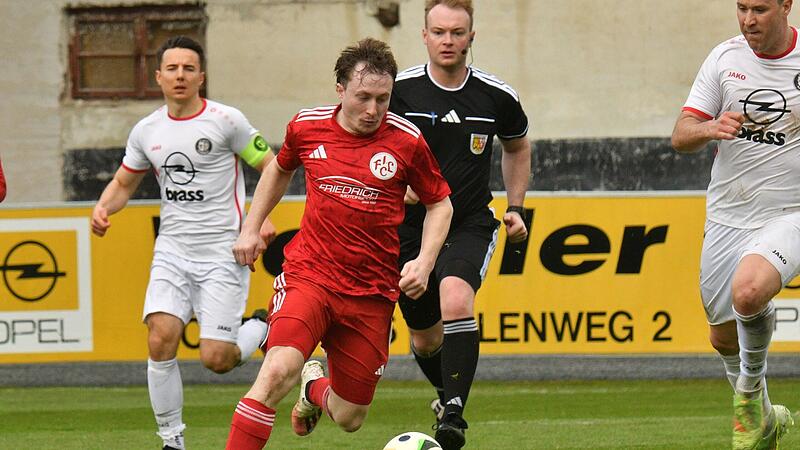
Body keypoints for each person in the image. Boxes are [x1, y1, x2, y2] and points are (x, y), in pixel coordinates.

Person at [225, 37, 453, 449]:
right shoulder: (307, 126)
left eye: (383, 99)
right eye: (363, 97)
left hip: (371, 292)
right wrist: (250, 226)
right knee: (276, 372)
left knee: (350, 417)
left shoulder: (406, 140)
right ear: (340, 90)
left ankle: (313, 387)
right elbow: (279, 168)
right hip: (310, 276)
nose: (373, 110)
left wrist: (423, 261)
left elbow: (440, 203)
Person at [90, 36, 274, 450]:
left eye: (188, 68)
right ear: (158, 77)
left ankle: (261, 327)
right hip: (172, 250)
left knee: (217, 359)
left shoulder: (227, 121)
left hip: (222, 252)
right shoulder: (147, 130)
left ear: (201, 77)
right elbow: (124, 182)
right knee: (160, 337)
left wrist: (259, 219)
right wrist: (103, 207)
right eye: (172, 68)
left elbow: (272, 166)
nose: (180, 75)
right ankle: (172, 440)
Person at [387, 1, 531, 448]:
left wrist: (516, 207)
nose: (447, 41)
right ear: (424, 35)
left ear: (471, 36)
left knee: (455, 298)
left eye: (456, 32)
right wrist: (395, 185)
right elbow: (370, 144)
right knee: (424, 338)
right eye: (439, 32)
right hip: (409, 228)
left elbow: (517, 147)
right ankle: (443, 393)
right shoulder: (399, 91)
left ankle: (453, 416)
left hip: (468, 222)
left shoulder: (496, 96)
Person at [671, 0, 798, 448]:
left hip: (790, 212)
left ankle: (746, 395)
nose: (748, 19)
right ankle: (766, 418)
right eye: (741, 8)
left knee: (748, 291)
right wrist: (710, 128)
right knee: (722, 337)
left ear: (786, 6)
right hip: (728, 214)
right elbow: (681, 134)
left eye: (759, 9)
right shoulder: (724, 58)